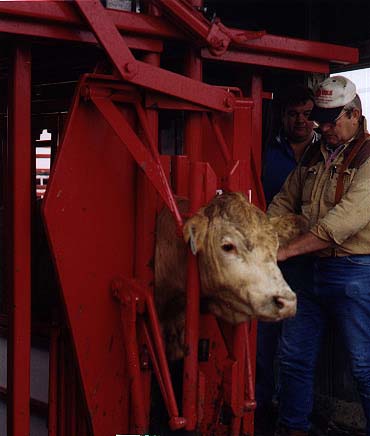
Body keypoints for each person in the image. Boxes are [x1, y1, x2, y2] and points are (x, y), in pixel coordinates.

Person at [268, 75, 370, 436]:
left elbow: (339, 225)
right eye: (320, 119)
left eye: (330, 120)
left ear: (354, 115)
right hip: (310, 270)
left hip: (352, 272)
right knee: (294, 357)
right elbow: (284, 200)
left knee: (363, 364)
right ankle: (293, 427)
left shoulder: (368, 158)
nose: (321, 127)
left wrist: (283, 251)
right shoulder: (315, 154)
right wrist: (261, 234)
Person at [255, 84, 319, 436]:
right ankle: (260, 406)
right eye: (293, 114)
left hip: (309, 260)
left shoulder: (324, 153)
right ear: (282, 116)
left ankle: (292, 415)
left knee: (298, 346)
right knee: (263, 338)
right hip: (270, 257)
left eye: (307, 114)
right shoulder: (265, 152)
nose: (300, 121)